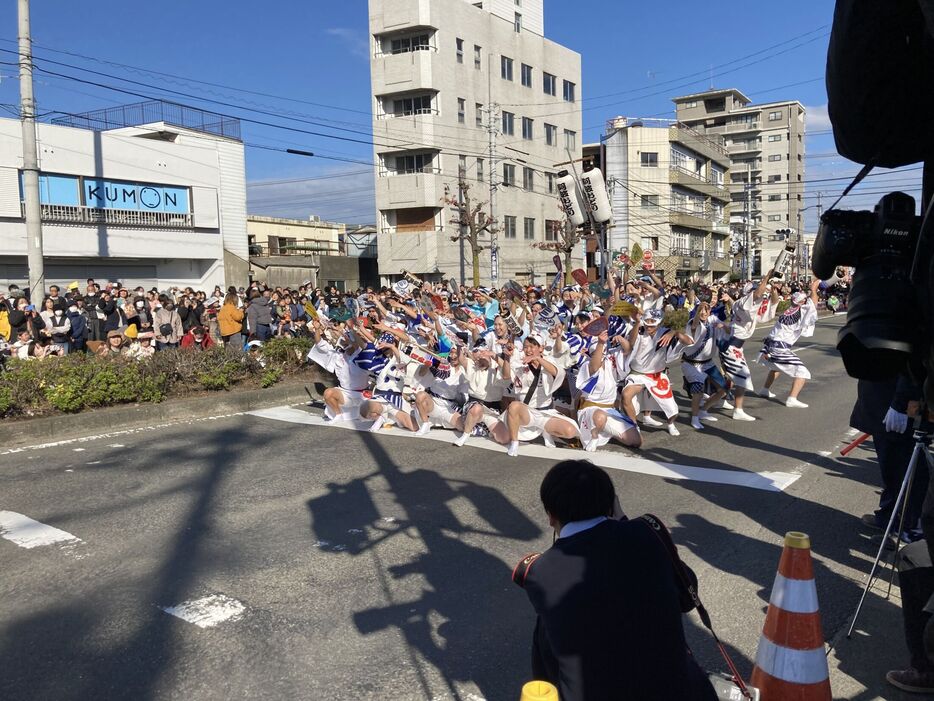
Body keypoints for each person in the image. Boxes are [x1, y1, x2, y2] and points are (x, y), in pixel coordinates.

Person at [517, 460, 717, 701]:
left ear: (551, 516)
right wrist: (622, 519)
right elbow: (686, 596)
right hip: (681, 691)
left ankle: (546, 692)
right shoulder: (646, 533)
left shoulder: (540, 571)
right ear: (611, 504)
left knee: (547, 628)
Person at [621, 308, 692, 437]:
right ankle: (633, 426)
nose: (649, 325)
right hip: (638, 374)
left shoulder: (665, 333)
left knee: (672, 410)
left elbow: (688, 342)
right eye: (647, 321)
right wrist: (637, 323)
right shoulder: (639, 330)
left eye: (652, 322)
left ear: (658, 323)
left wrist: (674, 332)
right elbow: (630, 343)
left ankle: (670, 424)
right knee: (626, 395)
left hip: (656, 376)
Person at [717, 273, 775, 421]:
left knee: (731, 376)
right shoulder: (745, 303)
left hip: (733, 346)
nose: (761, 295)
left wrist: (774, 290)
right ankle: (738, 410)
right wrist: (766, 278)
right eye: (755, 292)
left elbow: (771, 305)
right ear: (748, 293)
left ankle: (715, 402)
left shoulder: (744, 306)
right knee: (743, 378)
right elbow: (757, 294)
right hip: (731, 347)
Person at [576, 329, 642, 451]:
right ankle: (594, 436)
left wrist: (621, 339)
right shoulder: (587, 365)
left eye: (603, 352)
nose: (601, 355)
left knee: (636, 441)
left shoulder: (610, 363)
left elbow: (628, 350)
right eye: (596, 352)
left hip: (610, 410)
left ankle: (609, 431)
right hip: (590, 410)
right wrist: (601, 343)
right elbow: (594, 367)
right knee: (600, 417)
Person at [757, 281, 820, 407]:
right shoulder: (800, 312)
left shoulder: (789, 310)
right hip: (780, 348)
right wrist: (813, 290)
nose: (806, 302)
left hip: (770, 346)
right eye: (804, 300)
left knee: (777, 367)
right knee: (802, 372)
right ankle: (792, 399)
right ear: (800, 303)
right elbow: (814, 303)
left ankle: (764, 390)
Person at [681, 302, 729, 430]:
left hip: (707, 363)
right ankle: (694, 418)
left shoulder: (713, 320)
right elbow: (695, 324)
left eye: (706, 310)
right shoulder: (692, 322)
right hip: (691, 364)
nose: (703, 312)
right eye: (700, 310)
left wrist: (723, 327)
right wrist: (698, 312)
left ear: (710, 311)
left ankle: (703, 410)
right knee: (698, 390)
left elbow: (729, 330)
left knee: (723, 389)